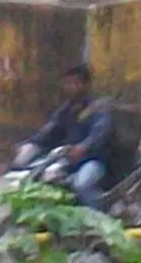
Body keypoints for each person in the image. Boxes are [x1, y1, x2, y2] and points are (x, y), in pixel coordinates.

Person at [22, 62, 119, 205]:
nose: (69, 87)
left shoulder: (98, 108)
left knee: (81, 186)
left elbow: (100, 132)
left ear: (85, 85)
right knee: (42, 179)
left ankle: (96, 220)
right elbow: (50, 129)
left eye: (74, 83)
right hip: (67, 161)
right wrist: (29, 144)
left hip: (93, 161)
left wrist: (83, 147)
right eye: (66, 83)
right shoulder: (67, 109)